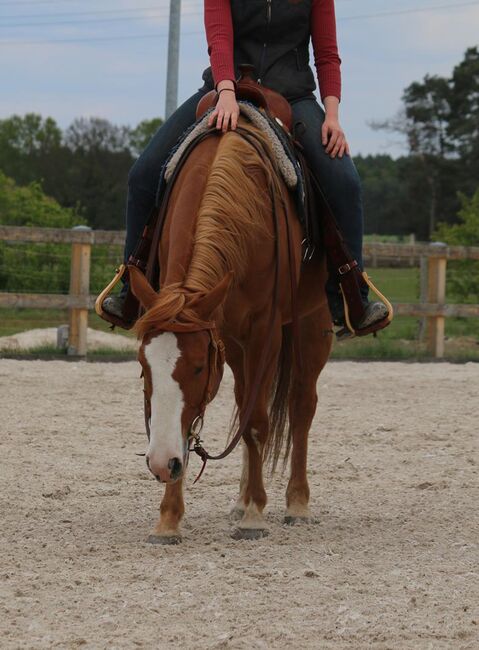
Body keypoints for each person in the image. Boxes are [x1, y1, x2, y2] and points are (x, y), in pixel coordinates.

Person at [103, 0, 388, 331]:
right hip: (224, 89)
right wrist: (225, 89)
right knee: (143, 174)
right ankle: (132, 290)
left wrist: (333, 116)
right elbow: (220, 36)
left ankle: (350, 295)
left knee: (345, 182)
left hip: (293, 97)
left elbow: (326, 54)